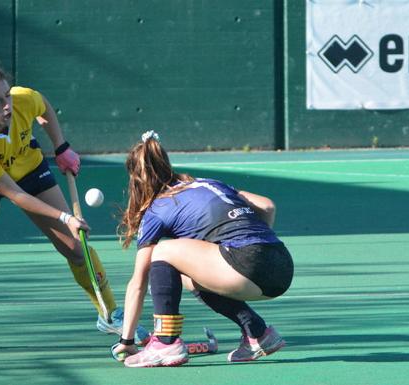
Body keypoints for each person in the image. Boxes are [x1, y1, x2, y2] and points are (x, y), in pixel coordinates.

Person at [0, 64, 147, 352]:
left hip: (28, 166)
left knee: (76, 247)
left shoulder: (23, 100)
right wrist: (65, 216)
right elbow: (13, 193)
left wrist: (61, 147)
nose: (7, 105)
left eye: (7, 96)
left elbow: (44, 109)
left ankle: (111, 313)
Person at [112, 131, 294, 367]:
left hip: (247, 266)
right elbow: (267, 206)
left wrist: (126, 340)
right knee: (188, 277)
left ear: (136, 180)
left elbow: (138, 282)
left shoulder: (156, 209)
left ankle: (166, 343)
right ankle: (258, 333)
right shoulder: (210, 184)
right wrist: (256, 249)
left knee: (162, 252)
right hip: (282, 265)